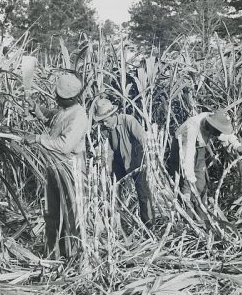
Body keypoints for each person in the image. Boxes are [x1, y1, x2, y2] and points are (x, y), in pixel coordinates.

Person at [23, 73, 88, 259]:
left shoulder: (79, 116)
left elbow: (64, 145)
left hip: (70, 169)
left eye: (60, 97)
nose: (56, 98)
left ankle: (73, 256)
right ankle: (53, 255)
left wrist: (37, 139)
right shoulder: (64, 110)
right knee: (52, 213)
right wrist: (36, 107)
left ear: (73, 98)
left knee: (70, 215)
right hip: (54, 167)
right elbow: (52, 118)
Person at [93, 99, 154, 228]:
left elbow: (143, 137)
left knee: (143, 192)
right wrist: (107, 168)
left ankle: (149, 224)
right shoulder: (105, 129)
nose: (104, 123)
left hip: (136, 160)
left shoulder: (128, 120)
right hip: (118, 162)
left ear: (113, 115)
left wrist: (147, 159)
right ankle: (117, 225)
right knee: (114, 192)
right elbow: (108, 150)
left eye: (106, 120)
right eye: (102, 121)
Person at [169, 109, 233, 223]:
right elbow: (188, 155)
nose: (218, 134)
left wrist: (236, 145)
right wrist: (190, 178)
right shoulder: (192, 127)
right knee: (186, 185)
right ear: (210, 125)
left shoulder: (213, 119)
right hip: (182, 147)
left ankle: (201, 218)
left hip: (199, 147)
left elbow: (226, 136)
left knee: (201, 184)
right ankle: (187, 219)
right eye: (217, 131)